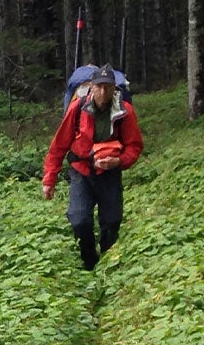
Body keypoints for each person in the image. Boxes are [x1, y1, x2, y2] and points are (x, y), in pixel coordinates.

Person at [41, 66, 142, 270]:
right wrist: (49, 180)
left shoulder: (124, 110)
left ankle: (108, 262)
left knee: (111, 221)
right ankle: (89, 261)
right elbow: (59, 144)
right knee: (79, 220)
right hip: (81, 170)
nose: (103, 93)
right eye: (99, 87)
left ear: (114, 88)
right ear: (91, 88)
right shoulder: (78, 108)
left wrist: (119, 161)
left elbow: (134, 145)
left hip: (110, 172)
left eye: (108, 87)